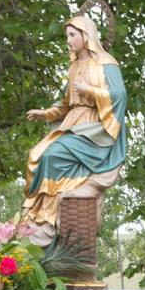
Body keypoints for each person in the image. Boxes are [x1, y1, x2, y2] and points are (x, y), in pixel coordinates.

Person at [20, 14, 127, 245]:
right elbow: (67, 103)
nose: (68, 40)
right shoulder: (74, 66)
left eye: (72, 35)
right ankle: (38, 217)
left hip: (95, 128)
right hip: (73, 123)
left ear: (86, 36)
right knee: (35, 156)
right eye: (66, 35)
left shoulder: (106, 64)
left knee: (52, 155)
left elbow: (119, 96)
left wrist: (90, 90)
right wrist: (46, 113)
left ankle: (47, 219)